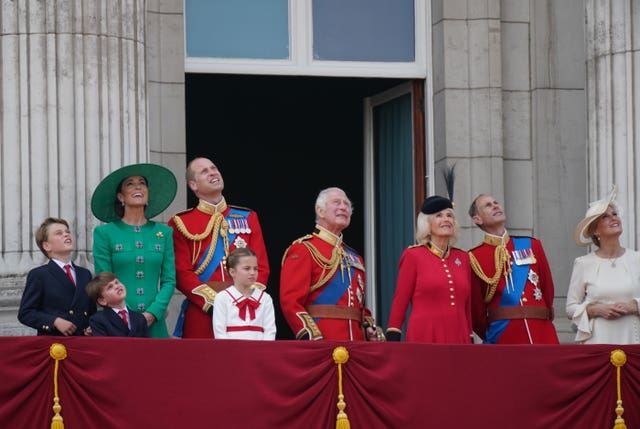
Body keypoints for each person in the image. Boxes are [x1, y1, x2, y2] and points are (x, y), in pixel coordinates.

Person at [168, 157, 270, 338]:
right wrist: (218, 302)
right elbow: (181, 273)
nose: (213, 172)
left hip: (246, 311)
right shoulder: (180, 223)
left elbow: (261, 266)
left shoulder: (247, 217)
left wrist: (246, 299)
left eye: (214, 168)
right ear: (193, 185)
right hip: (204, 312)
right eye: (204, 171)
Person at [280, 187, 384, 341]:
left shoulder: (355, 257)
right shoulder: (304, 249)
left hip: (356, 344)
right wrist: (310, 335)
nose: (343, 207)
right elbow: (290, 302)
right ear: (320, 211)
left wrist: (369, 327)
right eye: (336, 202)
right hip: (322, 342)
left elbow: (359, 307)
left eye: (346, 204)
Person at [91, 163, 177, 338]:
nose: (138, 186)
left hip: (155, 322)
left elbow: (169, 280)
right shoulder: (104, 233)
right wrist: (130, 315)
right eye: (130, 183)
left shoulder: (164, 233)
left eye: (142, 183)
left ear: (147, 193)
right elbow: (104, 279)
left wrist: (153, 312)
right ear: (121, 196)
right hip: (120, 323)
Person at [468, 194, 559, 344]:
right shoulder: (474, 257)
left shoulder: (531, 245)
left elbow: (547, 289)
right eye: (488, 205)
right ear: (477, 219)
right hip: (505, 335)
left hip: (542, 331)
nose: (495, 206)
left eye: (496, 202)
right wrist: (495, 332)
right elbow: (476, 312)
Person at [386, 196, 473, 343]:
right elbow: (400, 300)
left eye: (449, 215)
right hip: (425, 335)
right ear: (427, 224)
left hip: (459, 336)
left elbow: (467, 305)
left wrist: (470, 337)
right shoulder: (413, 255)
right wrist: (393, 333)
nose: (446, 219)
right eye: (439, 215)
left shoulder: (463, 257)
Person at [566, 185, 640, 344]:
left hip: (633, 342)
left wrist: (633, 307)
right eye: (605, 217)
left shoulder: (637, 259)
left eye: (614, 214)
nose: (614, 218)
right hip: (598, 342)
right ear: (595, 231)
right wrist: (595, 310)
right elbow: (570, 307)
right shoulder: (583, 263)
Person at [18, 217, 96, 336]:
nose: (66, 235)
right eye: (59, 233)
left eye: (67, 232)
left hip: (83, 342)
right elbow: (26, 313)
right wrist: (54, 321)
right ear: (47, 246)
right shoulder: (39, 275)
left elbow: (91, 311)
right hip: (54, 345)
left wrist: (92, 327)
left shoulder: (84, 274)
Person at [212, 247, 276, 340]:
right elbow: (219, 332)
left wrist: (264, 352)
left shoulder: (265, 298)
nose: (252, 272)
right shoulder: (222, 297)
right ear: (232, 272)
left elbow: (270, 331)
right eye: (247, 268)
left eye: (255, 269)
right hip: (232, 351)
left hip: (259, 352)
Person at [86, 272, 149, 337]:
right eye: (110, 287)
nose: (117, 286)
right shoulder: (98, 319)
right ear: (102, 301)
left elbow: (147, 344)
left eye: (117, 282)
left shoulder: (140, 318)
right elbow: (103, 345)